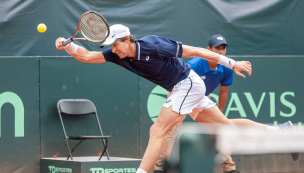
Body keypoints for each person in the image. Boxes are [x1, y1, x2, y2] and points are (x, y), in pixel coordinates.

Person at [55, 24, 297, 173]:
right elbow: (87, 56)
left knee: (157, 130)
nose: (113, 49)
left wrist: (231, 63)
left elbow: (197, 51)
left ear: (127, 39)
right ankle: (280, 132)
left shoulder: (154, 45)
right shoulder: (117, 55)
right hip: (183, 86)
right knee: (227, 127)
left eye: (116, 44)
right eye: (110, 46)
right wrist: (68, 46)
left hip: (187, 84)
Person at [153, 34, 237, 173]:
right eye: (217, 48)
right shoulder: (194, 64)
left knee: (220, 128)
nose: (221, 52)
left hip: (202, 97)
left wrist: (220, 114)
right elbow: (177, 84)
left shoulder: (227, 67)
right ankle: (160, 168)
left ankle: (229, 168)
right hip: (180, 94)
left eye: (223, 48)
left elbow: (223, 92)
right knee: (170, 129)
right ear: (208, 49)